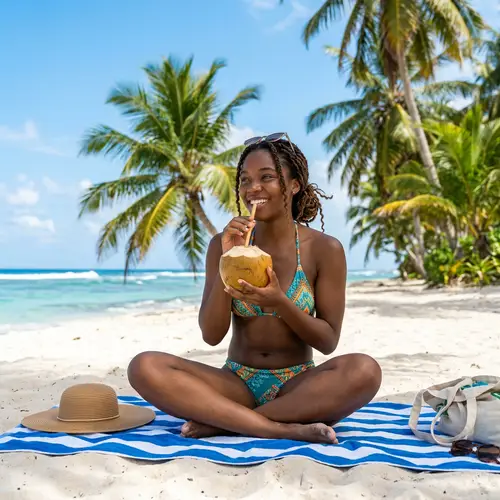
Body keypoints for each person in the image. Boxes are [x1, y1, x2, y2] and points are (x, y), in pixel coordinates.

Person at [127, 134, 382, 444]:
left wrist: (279, 302)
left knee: (365, 370)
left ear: (294, 184)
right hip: (235, 383)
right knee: (144, 366)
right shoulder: (222, 245)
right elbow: (211, 335)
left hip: (298, 386)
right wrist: (227, 259)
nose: (253, 188)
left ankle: (226, 422)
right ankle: (278, 427)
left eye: (267, 177)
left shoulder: (324, 249)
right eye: (245, 180)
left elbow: (327, 341)